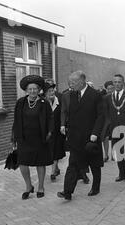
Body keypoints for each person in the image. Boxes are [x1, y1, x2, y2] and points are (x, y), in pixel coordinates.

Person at [57, 71, 105, 201]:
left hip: (91, 137)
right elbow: (70, 115)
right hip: (76, 137)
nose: (71, 85)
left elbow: (101, 116)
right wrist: (67, 129)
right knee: (72, 164)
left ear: (82, 81)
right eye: (70, 82)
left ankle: (96, 187)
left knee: (94, 164)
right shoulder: (72, 95)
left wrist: (95, 133)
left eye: (73, 82)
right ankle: (67, 192)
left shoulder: (95, 95)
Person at [12, 75, 54, 200]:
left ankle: (41, 187)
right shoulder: (20, 102)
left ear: (39, 90)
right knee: (23, 163)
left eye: (35, 89)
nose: (32, 91)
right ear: (26, 90)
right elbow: (16, 121)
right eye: (30, 89)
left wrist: (50, 132)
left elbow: (50, 119)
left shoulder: (44, 103)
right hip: (24, 138)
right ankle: (29, 186)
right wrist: (13, 137)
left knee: (40, 163)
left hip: (40, 138)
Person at [103, 74, 125, 182]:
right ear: (113, 83)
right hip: (115, 130)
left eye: (119, 82)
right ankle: (121, 174)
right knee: (118, 153)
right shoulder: (108, 98)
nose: (117, 84)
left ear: (123, 83)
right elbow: (107, 115)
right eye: (115, 82)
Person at [43, 81, 66, 182]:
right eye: (49, 91)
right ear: (45, 93)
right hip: (46, 132)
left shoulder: (60, 100)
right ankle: (55, 168)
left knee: (56, 150)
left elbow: (64, 114)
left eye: (53, 91)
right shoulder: (42, 103)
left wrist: (63, 125)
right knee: (49, 151)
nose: (52, 93)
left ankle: (52, 172)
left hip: (58, 131)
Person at [102, 81, 115, 162]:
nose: (110, 90)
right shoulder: (103, 98)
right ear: (106, 89)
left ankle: (113, 155)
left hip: (115, 120)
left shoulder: (117, 97)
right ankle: (106, 155)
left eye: (112, 88)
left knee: (114, 137)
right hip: (106, 121)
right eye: (108, 89)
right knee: (105, 138)